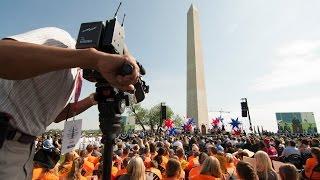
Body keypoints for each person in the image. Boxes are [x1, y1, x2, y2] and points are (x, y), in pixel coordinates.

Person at [0, 27, 140, 179]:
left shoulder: (75, 74)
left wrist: (94, 98)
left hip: (23, 150)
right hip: (5, 139)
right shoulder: (63, 41)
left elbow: (57, 116)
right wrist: (92, 58)